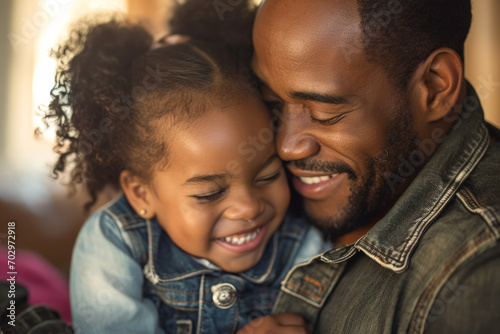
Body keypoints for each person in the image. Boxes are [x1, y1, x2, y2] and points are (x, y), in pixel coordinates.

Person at [43, 2, 329, 333]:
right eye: (210, 193)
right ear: (141, 194)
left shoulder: (303, 242)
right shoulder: (113, 244)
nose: (249, 206)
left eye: (267, 175)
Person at [251, 0, 500, 333]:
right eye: (271, 102)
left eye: (326, 114)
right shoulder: (261, 189)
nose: (285, 146)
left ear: (436, 87)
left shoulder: (477, 270)